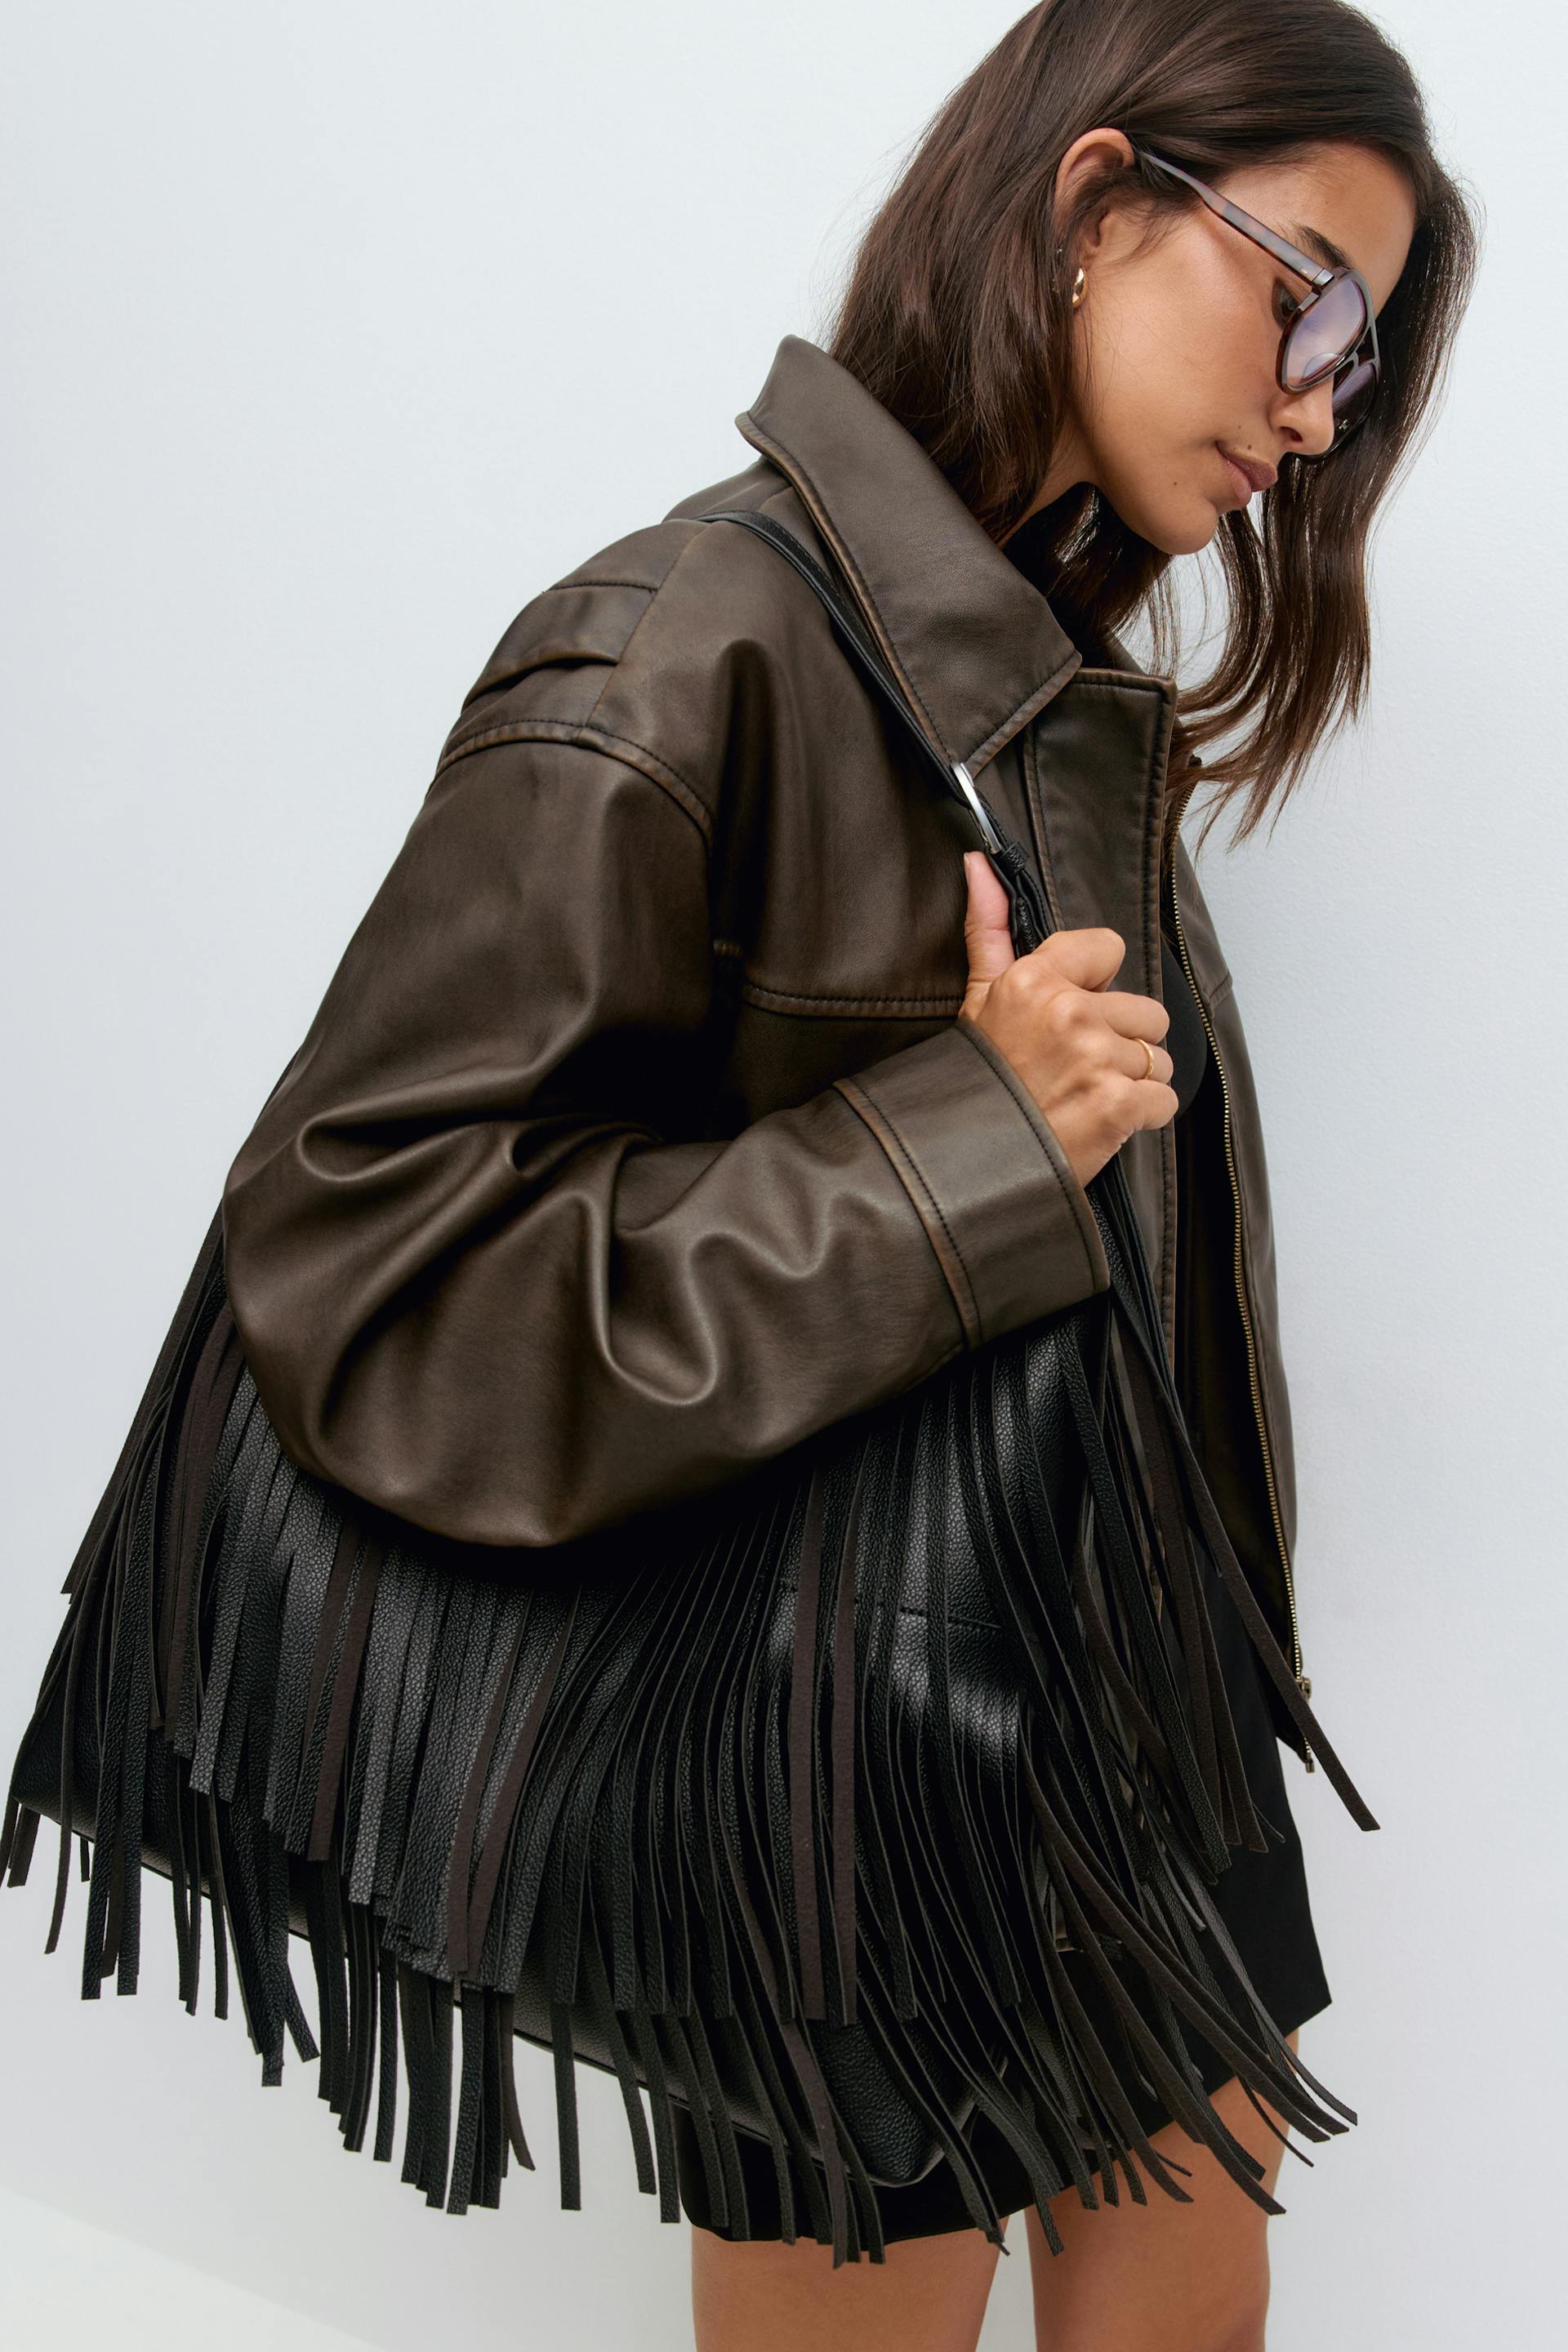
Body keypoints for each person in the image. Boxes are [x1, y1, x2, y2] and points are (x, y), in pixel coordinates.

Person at [213, 2, 1478, 2345]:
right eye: (1306, 299)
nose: (1319, 405)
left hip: (1129, 1728)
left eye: (1363, 360)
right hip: (841, 1784)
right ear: (1100, 205)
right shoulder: (692, 640)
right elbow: (365, 1261)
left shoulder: (1030, 677)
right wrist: (962, 1142)